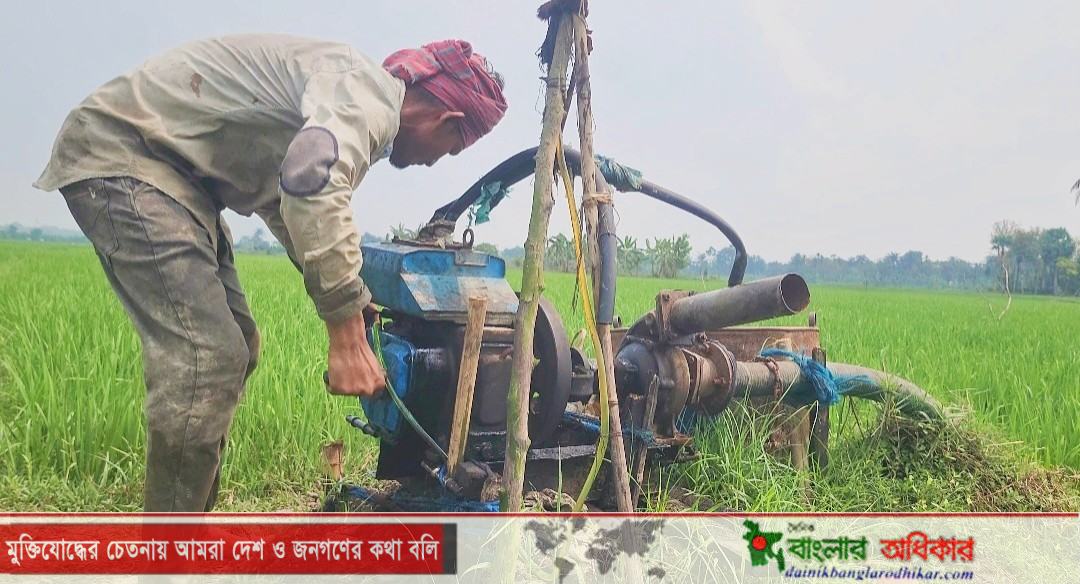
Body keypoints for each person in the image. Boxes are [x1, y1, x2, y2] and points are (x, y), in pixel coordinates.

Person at [33, 34, 508, 512]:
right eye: (452, 148)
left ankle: (187, 527)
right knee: (206, 358)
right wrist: (345, 333)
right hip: (129, 156)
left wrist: (356, 298)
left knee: (237, 346)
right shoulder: (367, 98)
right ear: (446, 118)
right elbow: (310, 183)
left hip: (179, 180)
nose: (436, 160)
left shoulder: (351, 94)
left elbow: (289, 200)